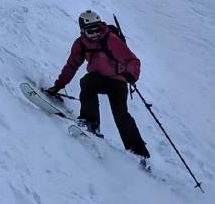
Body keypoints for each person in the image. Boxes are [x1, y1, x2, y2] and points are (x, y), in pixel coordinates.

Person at [45, 10, 150, 159]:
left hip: (118, 81)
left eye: (97, 29)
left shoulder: (111, 40)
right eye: (90, 31)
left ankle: (139, 153)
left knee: (121, 115)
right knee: (87, 81)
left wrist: (131, 74)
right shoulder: (81, 44)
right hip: (98, 79)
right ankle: (90, 123)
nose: (94, 33)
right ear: (82, 30)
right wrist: (58, 86)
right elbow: (71, 66)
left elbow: (132, 60)